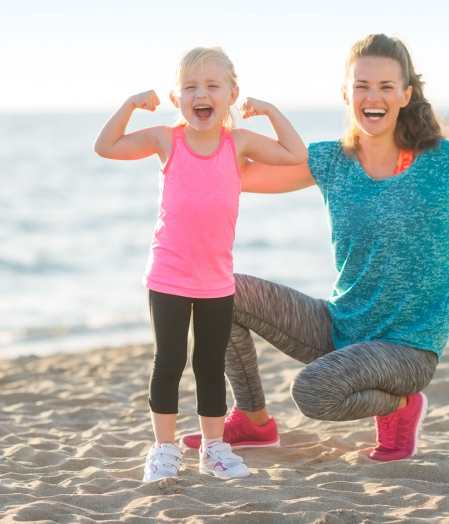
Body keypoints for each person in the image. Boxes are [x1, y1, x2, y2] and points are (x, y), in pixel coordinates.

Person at [180, 34, 449, 461]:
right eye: (362, 86)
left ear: (406, 95)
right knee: (218, 289)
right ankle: (255, 421)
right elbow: (238, 175)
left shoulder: (445, 163)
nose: (373, 97)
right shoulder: (332, 160)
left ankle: (402, 406)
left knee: (313, 392)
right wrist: (217, 112)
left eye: (386, 86)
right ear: (346, 94)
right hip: (340, 328)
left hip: (408, 349)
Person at [93, 47, 308, 480]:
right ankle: (164, 450)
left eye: (212, 85)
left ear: (232, 95)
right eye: (190, 86)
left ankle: (214, 448)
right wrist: (131, 104)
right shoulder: (164, 139)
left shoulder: (239, 143)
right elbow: (105, 147)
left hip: (216, 281)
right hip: (168, 276)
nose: (201, 94)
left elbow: (295, 153)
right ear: (176, 97)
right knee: (168, 363)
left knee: (210, 366)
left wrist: (268, 111)